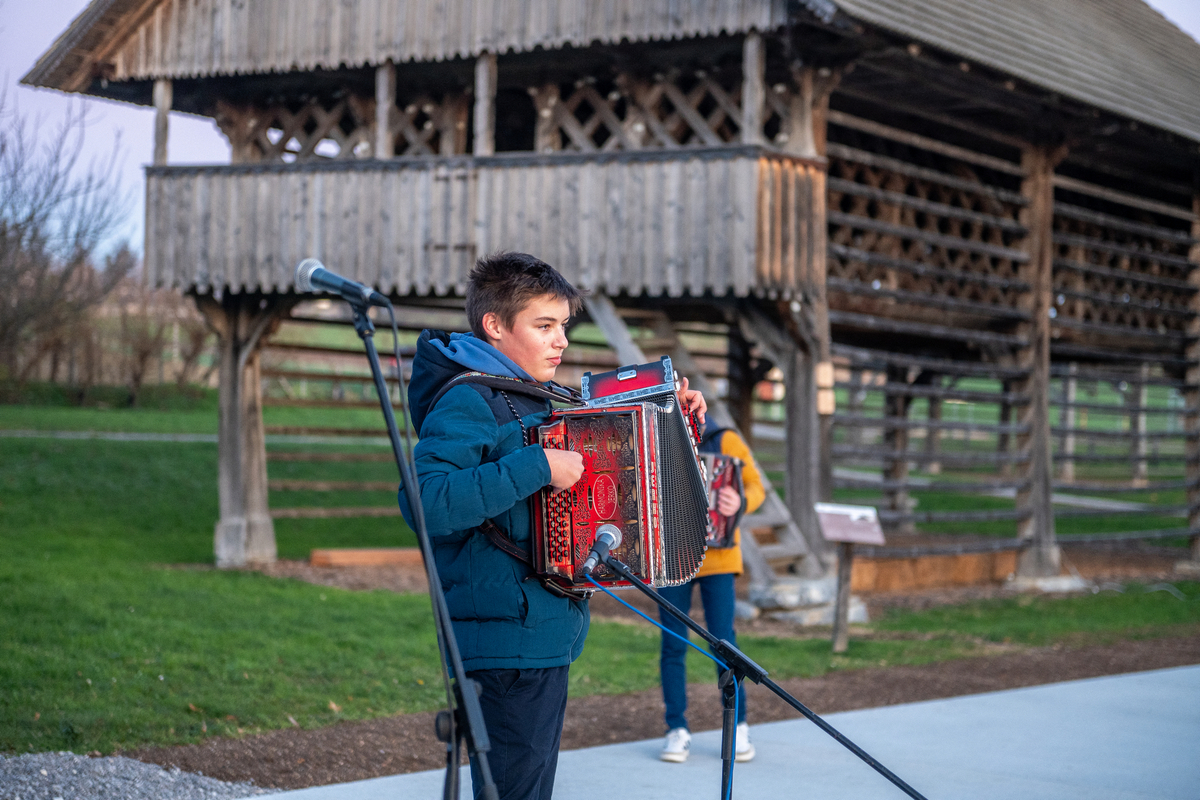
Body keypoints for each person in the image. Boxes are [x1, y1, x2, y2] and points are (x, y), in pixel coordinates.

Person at [399, 252, 706, 800]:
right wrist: (537, 466)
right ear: (495, 325)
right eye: (544, 326)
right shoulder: (468, 399)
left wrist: (670, 414)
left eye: (563, 325)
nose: (560, 340)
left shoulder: (531, 397)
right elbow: (426, 503)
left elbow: (612, 455)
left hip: (540, 633)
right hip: (504, 643)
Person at [657, 421, 765, 764]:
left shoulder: (725, 439)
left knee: (725, 643)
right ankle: (676, 728)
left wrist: (740, 500)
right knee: (673, 644)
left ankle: (738, 725)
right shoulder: (656, 437)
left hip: (719, 557)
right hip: (671, 557)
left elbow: (756, 486)